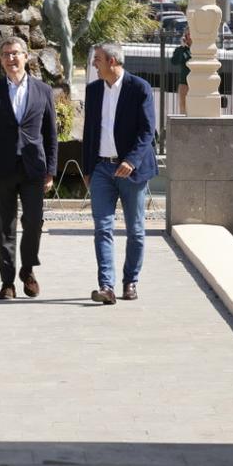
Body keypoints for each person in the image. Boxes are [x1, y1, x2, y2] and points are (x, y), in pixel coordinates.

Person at [0, 37, 58, 299]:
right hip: (2, 168)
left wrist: (51, 170)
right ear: (1, 60)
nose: (11, 59)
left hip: (34, 168)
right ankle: (7, 281)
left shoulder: (43, 91)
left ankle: (28, 269)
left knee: (33, 222)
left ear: (26, 56)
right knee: (5, 227)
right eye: (6, 54)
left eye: (16, 54)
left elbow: (51, 133)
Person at [82, 43, 159, 304]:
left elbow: (148, 131)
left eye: (98, 59)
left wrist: (132, 161)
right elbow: (89, 132)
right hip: (102, 168)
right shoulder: (93, 91)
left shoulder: (139, 88)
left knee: (135, 229)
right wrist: (87, 167)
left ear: (113, 61)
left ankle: (130, 281)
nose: (94, 64)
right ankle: (106, 286)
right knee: (102, 227)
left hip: (131, 170)